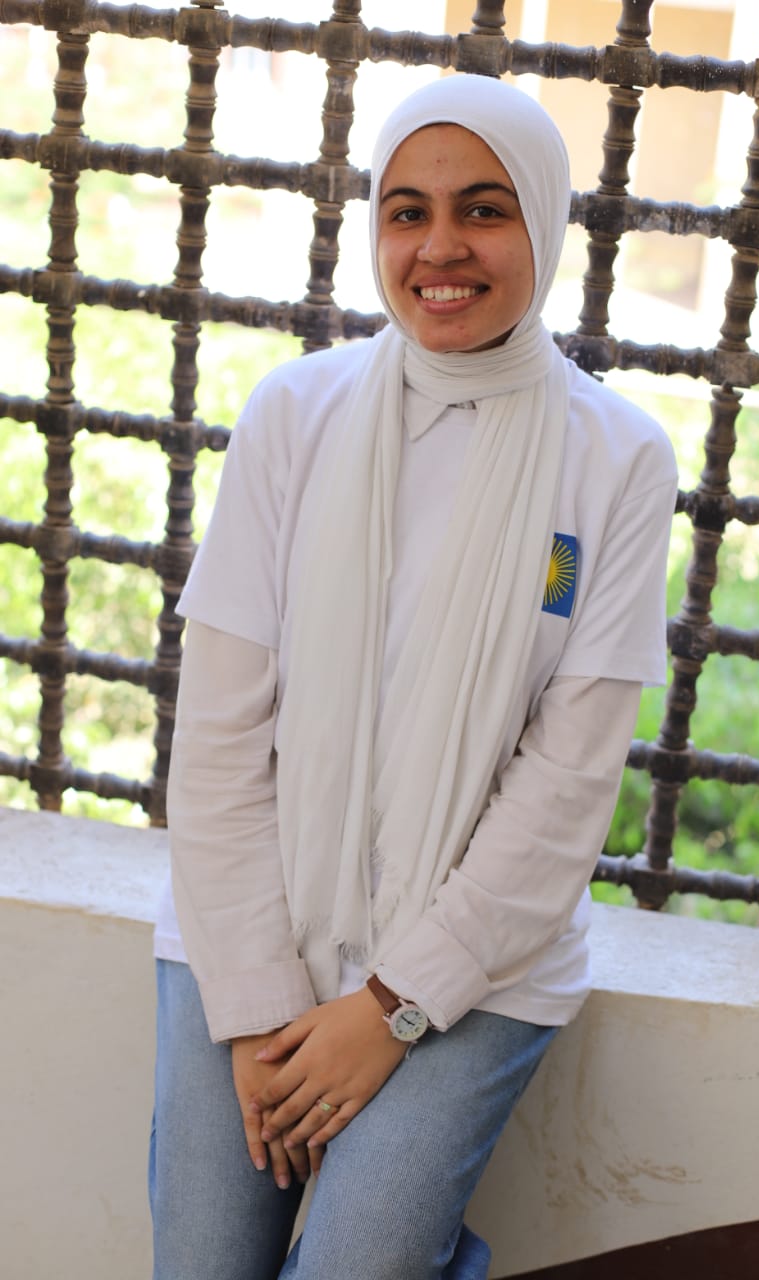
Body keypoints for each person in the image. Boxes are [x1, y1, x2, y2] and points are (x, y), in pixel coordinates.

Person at [149, 73, 678, 1280]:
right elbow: (219, 735)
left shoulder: (617, 460)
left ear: (543, 219)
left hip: (476, 959)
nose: (440, 247)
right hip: (251, 923)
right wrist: (259, 999)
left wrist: (391, 1004)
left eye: (483, 209)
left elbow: (565, 786)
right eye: (407, 212)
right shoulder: (293, 414)